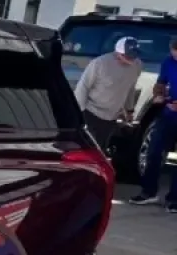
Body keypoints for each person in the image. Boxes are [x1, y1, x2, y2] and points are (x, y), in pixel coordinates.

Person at [129, 37, 177, 211]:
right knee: (154, 151)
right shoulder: (168, 61)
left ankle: (174, 200)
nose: (175, 55)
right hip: (168, 114)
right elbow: (161, 82)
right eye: (173, 51)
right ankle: (148, 192)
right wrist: (159, 93)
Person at [75, 35, 143, 155]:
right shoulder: (100, 63)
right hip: (91, 112)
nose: (131, 59)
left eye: (133, 55)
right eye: (127, 56)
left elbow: (130, 88)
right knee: (86, 147)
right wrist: (79, 113)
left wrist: (130, 110)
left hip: (112, 116)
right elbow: (83, 87)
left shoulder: (137, 65)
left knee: (101, 149)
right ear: (118, 53)